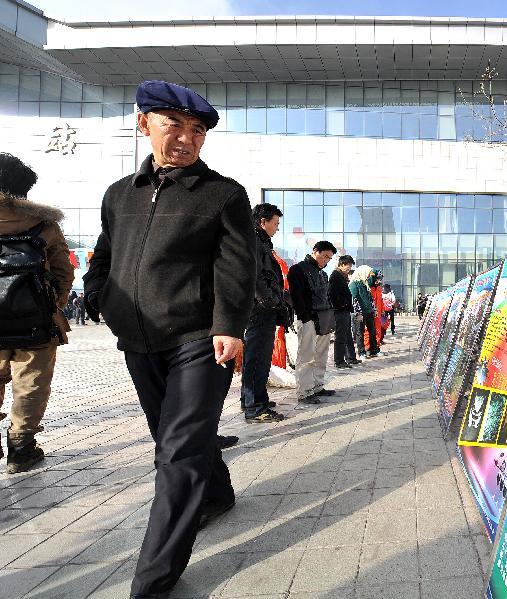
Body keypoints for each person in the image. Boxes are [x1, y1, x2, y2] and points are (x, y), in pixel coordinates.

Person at [82, 80, 255, 598]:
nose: (186, 138)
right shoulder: (120, 194)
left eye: (197, 130)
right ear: (144, 124)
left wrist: (228, 327)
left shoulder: (223, 194)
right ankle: (217, 494)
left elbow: (236, 268)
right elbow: (104, 254)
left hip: (201, 339)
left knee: (176, 454)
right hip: (139, 340)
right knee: (172, 436)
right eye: (173, 125)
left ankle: (153, 582)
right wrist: (99, 296)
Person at [0, 153, 75, 474]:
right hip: (35, 322)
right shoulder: (44, 225)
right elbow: (63, 272)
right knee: (30, 383)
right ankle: (21, 448)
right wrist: (51, 304)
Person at [241, 202, 290, 423]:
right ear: (263, 222)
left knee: (260, 357)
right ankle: (254, 407)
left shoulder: (260, 242)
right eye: (275, 223)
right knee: (256, 357)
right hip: (259, 309)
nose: (277, 228)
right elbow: (256, 276)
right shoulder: (254, 241)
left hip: (263, 307)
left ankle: (255, 398)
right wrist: (271, 301)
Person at [288, 240, 337, 404]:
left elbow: (327, 296)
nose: (326, 260)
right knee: (306, 355)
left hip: (324, 317)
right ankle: (304, 391)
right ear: (315, 251)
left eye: (329, 258)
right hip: (308, 318)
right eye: (324, 256)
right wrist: (305, 317)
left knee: (321, 355)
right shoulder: (297, 269)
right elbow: (296, 297)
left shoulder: (323, 274)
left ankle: (317, 386)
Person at [329, 254, 361, 369]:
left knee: (348, 335)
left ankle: (351, 357)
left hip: (344, 310)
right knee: (340, 336)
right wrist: (342, 304)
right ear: (342, 265)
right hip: (340, 311)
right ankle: (339, 361)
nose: (349, 269)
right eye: (348, 266)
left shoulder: (341, 276)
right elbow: (332, 295)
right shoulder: (335, 276)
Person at [349, 265, 379, 358]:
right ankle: (361, 352)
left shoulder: (365, 283)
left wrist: (374, 309)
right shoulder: (353, 284)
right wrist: (358, 313)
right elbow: (354, 299)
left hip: (369, 311)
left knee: (372, 331)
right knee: (360, 333)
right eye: (368, 274)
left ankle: (374, 350)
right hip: (360, 313)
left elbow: (370, 299)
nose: (369, 276)